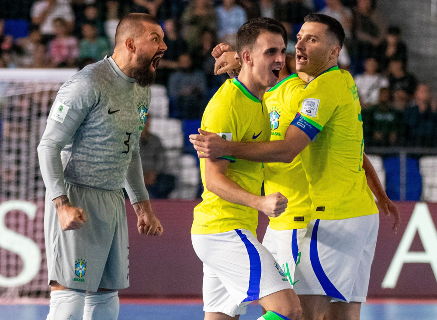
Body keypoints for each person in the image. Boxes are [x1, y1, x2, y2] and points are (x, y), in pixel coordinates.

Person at [190, 14, 398, 320]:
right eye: (296, 40)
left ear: (333, 51)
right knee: (303, 312)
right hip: (255, 223)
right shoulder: (249, 98)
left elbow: (290, 149)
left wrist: (228, 148)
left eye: (306, 41)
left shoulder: (305, 93)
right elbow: (215, 176)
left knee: (298, 313)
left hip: (304, 219)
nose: (293, 50)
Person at [37, 13, 166, 320]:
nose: (164, 47)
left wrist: (143, 207)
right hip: (75, 197)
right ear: (131, 44)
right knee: (68, 300)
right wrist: (62, 206)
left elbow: (131, 150)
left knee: (107, 300)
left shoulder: (141, 90)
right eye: (156, 39)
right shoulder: (86, 83)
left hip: (112, 200)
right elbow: (48, 146)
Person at [191, 17, 302, 320]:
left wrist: (238, 60)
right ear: (249, 57)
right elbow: (213, 180)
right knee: (288, 309)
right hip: (223, 228)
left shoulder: (258, 100)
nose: (280, 59)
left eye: (282, 51)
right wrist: (261, 202)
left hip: (227, 228)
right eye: (270, 52)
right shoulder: (226, 105)